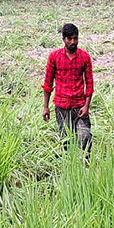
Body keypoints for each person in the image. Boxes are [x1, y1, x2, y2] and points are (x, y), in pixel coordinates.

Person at [42, 23, 94, 152]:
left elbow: (89, 83)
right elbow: (48, 83)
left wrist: (86, 106)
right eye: (69, 39)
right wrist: (46, 107)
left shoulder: (84, 57)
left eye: (75, 38)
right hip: (61, 105)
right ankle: (68, 167)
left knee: (85, 136)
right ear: (63, 39)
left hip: (79, 105)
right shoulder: (54, 57)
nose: (73, 42)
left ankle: (86, 166)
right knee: (65, 140)